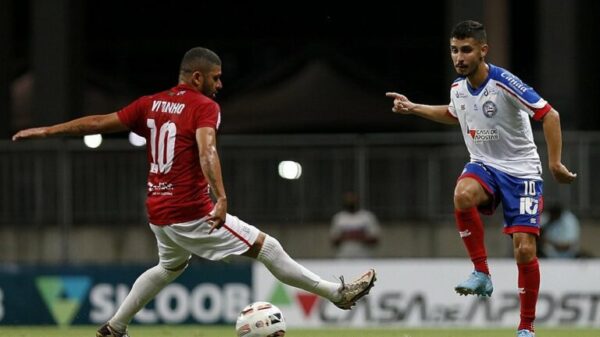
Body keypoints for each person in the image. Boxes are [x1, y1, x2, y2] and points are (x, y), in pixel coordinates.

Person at [12, 47, 376, 337]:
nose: (219, 85)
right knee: (269, 247)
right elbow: (207, 151)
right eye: (215, 78)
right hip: (190, 210)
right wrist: (221, 199)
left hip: (158, 210)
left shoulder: (150, 103)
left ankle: (115, 327)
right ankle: (336, 295)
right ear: (197, 76)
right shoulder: (204, 107)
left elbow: (96, 123)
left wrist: (46, 130)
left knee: (169, 266)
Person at [386, 20, 576, 337]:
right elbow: (454, 113)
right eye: (454, 50)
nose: (459, 57)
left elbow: (549, 114)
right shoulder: (458, 88)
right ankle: (481, 272)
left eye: (466, 50)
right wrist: (414, 108)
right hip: (484, 164)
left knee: (525, 250)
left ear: (482, 50)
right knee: (462, 195)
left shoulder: (503, 83)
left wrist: (554, 162)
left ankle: (526, 328)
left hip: (522, 171)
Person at [330, 191, 381, 258]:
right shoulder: (339, 217)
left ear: (358, 200)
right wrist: (348, 236)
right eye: (348, 199)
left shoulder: (367, 216)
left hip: (364, 258)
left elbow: (375, 240)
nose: (350, 201)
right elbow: (334, 241)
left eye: (352, 198)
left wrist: (359, 236)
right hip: (343, 258)